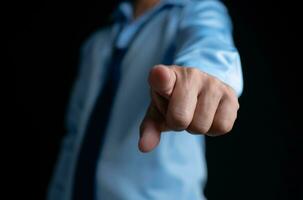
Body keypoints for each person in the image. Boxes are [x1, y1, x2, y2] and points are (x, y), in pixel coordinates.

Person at [48, 0, 243, 199]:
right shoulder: (97, 42)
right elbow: (74, 136)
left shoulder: (196, 11)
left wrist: (206, 75)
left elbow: (209, 44)